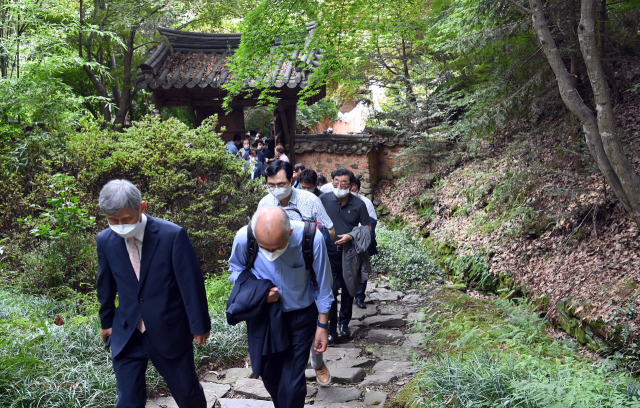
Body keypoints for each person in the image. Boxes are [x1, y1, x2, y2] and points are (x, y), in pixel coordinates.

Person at [96, 180, 211, 408]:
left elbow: (190, 283)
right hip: (128, 331)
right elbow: (105, 284)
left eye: (126, 219)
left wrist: (200, 325)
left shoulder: (172, 235)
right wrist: (106, 321)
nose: (120, 225)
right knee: (128, 400)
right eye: (113, 220)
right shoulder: (105, 241)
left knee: (187, 393)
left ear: (142, 207)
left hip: (168, 327)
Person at [227, 207, 334, 408]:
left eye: (276, 247)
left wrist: (323, 325)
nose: (270, 253)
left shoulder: (310, 238)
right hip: (264, 317)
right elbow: (235, 270)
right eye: (264, 248)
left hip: (300, 317)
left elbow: (323, 286)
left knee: (292, 381)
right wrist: (259, 291)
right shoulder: (245, 237)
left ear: (290, 233)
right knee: (269, 374)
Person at [319, 170, 371, 344]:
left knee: (349, 289)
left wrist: (351, 236)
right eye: (336, 182)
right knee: (331, 292)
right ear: (331, 181)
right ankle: (332, 330)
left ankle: (344, 323)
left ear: (351, 185)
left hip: (349, 254)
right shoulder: (324, 200)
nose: (340, 186)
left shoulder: (358, 204)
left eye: (344, 183)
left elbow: (367, 228)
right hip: (328, 254)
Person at [350, 178, 378, 309]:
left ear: (359, 190)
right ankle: (349, 295)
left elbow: (372, 222)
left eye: (354, 190)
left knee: (362, 270)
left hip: (362, 242)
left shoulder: (366, 202)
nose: (352, 192)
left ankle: (360, 296)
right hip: (347, 242)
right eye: (350, 190)